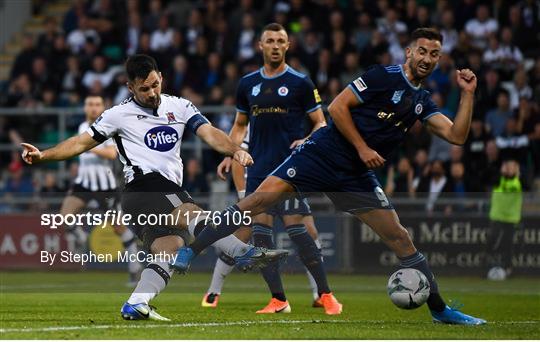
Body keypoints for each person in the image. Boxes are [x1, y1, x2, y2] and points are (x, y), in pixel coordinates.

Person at [172, 28, 487, 325]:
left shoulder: (422, 101)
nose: (427, 58)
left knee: (400, 237)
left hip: (355, 176)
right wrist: (363, 148)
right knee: (256, 202)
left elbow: (458, 136)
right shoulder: (382, 76)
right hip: (321, 154)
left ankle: (439, 309)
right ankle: (192, 249)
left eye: (434, 54)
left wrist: (468, 94)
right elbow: (337, 108)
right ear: (408, 52)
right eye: (422, 50)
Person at [20, 54, 287, 321]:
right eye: (144, 89)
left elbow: (209, 132)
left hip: (157, 193)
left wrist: (235, 150)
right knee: (190, 211)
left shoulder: (180, 106)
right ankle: (242, 252)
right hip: (143, 187)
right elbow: (80, 143)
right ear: (131, 88)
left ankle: (137, 302)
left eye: (155, 85)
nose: (152, 93)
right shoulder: (118, 115)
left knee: (169, 249)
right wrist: (44, 155)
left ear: (162, 78)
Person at [200, 23, 341, 315]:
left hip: (289, 171)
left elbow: (321, 123)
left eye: (281, 41)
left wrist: (307, 139)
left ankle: (326, 294)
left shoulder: (301, 82)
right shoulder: (247, 84)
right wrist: (233, 151)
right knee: (260, 237)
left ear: (288, 46)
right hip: (259, 172)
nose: (275, 45)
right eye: (270, 41)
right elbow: (239, 126)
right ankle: (279, 299)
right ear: (260, 46)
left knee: (299, 231)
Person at [203, 128, 331, 311]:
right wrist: (243, 197)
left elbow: (320, 123)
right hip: (261, 186)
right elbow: (238, 161)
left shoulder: (292, 119)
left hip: (289, 184)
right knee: (243, 234)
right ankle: (213, 292)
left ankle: (319, 294)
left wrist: (307, 139)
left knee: (309, 231)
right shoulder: (255, 127)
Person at [59, 95, 142, 286]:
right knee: (64, 216)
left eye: (97, 104)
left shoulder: (109, 127)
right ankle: (80, 235)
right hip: (84, 184)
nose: (93, 108)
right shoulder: (82, 127)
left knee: (119, 228)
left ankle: (134, 268)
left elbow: (112, 153)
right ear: (84, 107)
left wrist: (87, 147)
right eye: (90, 104)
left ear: (103, 106)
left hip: (106, 186)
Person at [486, 159, 523, 280]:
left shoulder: (518, 182)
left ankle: (508, 268)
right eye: (507, 166)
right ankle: (488, 265)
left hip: (511, 218)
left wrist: (511, 174)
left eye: (512, 167)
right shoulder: (499, 179)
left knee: (508, 244)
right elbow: (493, 180)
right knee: (492, 240)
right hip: (497, 216)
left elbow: (516, 186)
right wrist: (501, 172)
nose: (508, 168)